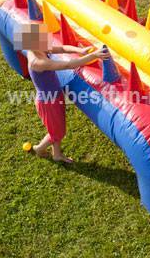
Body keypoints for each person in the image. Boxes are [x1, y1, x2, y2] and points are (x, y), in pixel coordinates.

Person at [15, 23, 110, 163]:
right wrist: (95, 56)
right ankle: (39, 148)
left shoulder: (38, 49)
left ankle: (57, 154)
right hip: (48, 101)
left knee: (57, 128)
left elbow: (62, 48)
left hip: (54, 95)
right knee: (57, 132)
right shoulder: (38, 62)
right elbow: (68, 65)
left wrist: (80, 50)